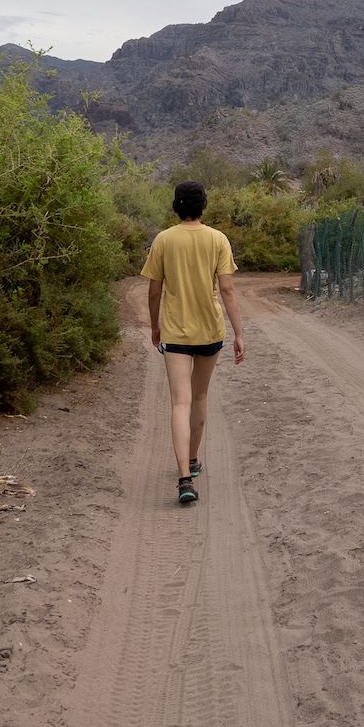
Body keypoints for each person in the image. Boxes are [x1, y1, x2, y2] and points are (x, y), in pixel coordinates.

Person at [140, 180, 245, 505]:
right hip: (210, 332)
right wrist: (239, 333)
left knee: (179, 403)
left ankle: (185, 477)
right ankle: (195, 459)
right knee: (200, 397)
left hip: (175, 333)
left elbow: (155, 290)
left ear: (176, 206)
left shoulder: (163, 240)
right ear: (203, 205)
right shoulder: (217, 239)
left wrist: (155, 326)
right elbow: (227, 290)